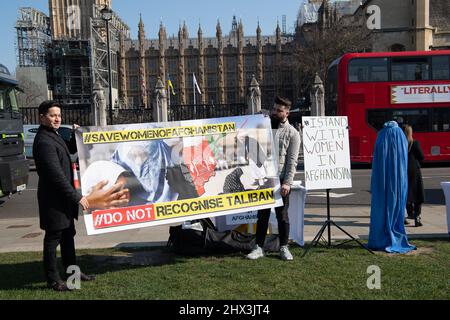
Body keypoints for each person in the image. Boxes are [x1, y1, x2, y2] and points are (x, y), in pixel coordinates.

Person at [33, 100, 129, 292]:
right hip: (54, 201)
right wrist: (77, 197)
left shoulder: (54, 135)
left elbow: (70, 150)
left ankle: (73, 274)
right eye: (52, 115)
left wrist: (77, 135)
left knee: (68, 236)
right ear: (42, 117)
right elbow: (56, 176)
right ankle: (53, 280)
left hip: (62, 200)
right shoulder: (43, 141)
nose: (57, 118)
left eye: (58, 115)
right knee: (53, 240)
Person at [246, 96, 301, 261]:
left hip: (281, 180)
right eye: (274, 109)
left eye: (279, 110)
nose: (275, 112)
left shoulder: (293, 133)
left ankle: (284, 247)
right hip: (264, 178)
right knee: (261, 214)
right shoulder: (264, 126)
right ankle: (259, 247)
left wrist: (287, 183)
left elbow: (292, 160)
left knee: (282, 216)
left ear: (287, 112)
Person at [368, 121, 415, 253]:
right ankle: (394, 231)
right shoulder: (400, 135)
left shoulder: (381, 135)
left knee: (381, 206)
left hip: (381, 182)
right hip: (397, 180)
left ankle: (379, 237)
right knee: (395, 204)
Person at [404, 125, 425, 227]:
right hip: (414, 170)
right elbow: (421, 156)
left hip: (402, 170)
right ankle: (417, 217)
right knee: (417, 194)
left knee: (405, 193)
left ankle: (408, 214)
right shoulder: (414, 143)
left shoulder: (400, 144)